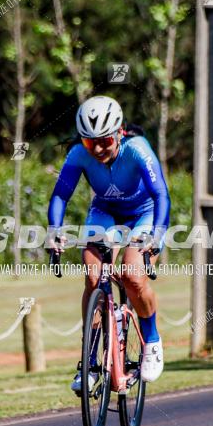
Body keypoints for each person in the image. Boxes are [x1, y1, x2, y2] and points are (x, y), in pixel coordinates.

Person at [47, 95, 171, 393]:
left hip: (145, 213)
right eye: (91, 143)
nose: (99, 149)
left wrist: (155, 234)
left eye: (104, 141)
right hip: (105, 212)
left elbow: (161, 195)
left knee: (131, 275)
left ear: (119, 133)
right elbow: (60, 195)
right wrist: (54, 230)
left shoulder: (138, 149)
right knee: (92, 278)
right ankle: (89, 363)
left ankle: (151, 340)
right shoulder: (78, 154)